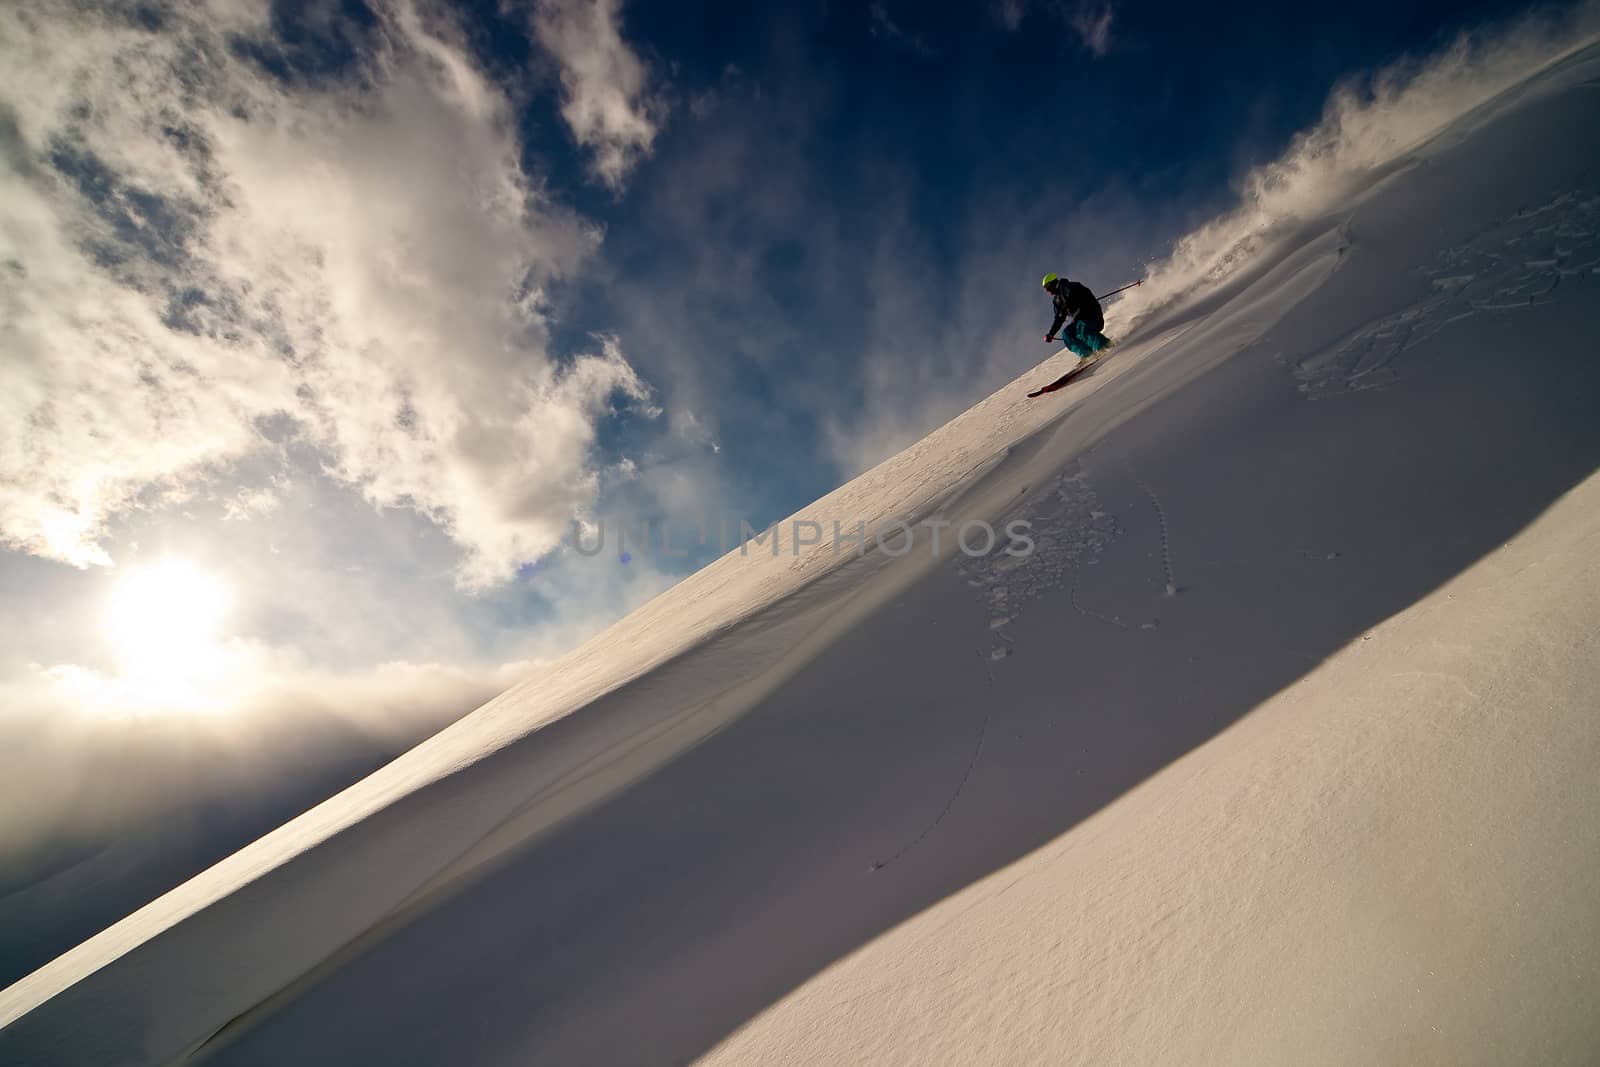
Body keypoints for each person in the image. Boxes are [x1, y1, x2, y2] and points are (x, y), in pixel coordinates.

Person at [1042, 273, 1112, 358]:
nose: (1047, 291)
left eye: (1048, 287)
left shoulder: (1067, 286)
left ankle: (1105, 346)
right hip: (1079, 319)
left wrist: (1069, 304)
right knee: (1067, 334)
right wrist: (1051, 334)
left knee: (1082, 329)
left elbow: (1074, 294)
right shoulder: (1057, 300)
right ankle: (1087, 354)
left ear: (1053, 283)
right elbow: (1059, 318)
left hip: (1091, 314)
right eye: (1045, 289)